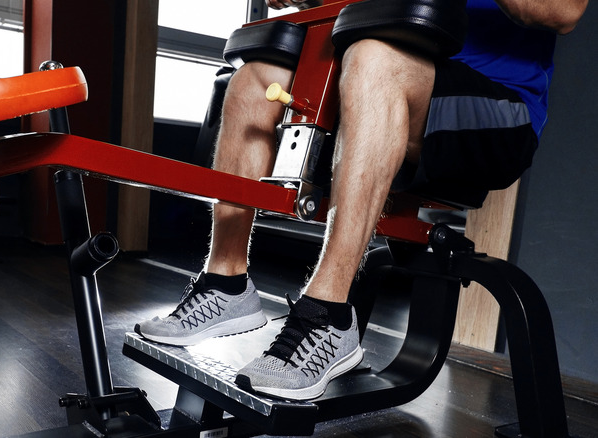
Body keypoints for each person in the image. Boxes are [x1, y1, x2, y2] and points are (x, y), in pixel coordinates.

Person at [136, 0, 588, 401]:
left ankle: (328, 315)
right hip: (389, 69)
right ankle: (226, 282)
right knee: (255, 77)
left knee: (374, 56)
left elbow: (562, 12)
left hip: (498, 110)